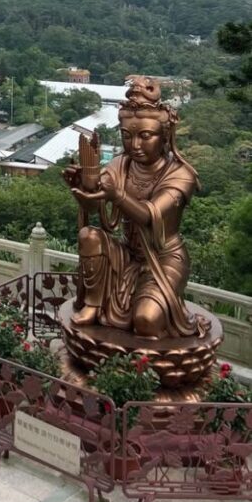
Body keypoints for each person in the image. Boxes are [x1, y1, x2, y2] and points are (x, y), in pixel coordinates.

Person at [64, 77, 203, 339]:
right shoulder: (121, 164)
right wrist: (81, 187)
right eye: (127, 136)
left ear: (164, 137)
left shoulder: (180, 174)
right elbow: (93, 206)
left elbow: (150, 215)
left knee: (146, 320)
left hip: (164, 258)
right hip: (127, 253)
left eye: (145, 136)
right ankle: (93, 305)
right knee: (89, 236)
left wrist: (117, 195)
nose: (135, 146)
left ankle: (142, 369)